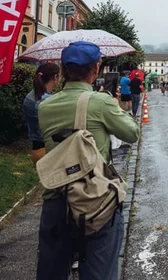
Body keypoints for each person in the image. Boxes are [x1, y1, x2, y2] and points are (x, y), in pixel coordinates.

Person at [37, 41, 140, 280]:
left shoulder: (45, 106)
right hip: (94, 200)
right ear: (96, 69)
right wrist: (114, 105)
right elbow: (132, 133)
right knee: (99, 273)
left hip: (55, 199)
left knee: (51, 272)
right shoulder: (99, 101)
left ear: (62, 70)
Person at [22, 63, 60, 164]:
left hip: (36, 148)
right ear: (55, 77)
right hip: (48, 150)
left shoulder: (30, 96)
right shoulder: (47, 101)